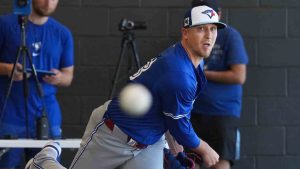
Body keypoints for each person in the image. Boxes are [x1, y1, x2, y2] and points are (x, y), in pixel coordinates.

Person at [26, 4, 225, 169]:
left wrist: (176, 146)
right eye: (201, 28)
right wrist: (204, 148)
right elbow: (180, 125)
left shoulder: (190, 65)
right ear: (186, 33)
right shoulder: (179, 72)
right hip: (113, 134)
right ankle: (44, 162)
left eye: (213, 29)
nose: (209, 35)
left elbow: (172, 115)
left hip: (148, 142)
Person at [0, 0, 74, 168]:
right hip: (10, 113)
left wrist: (59, 77)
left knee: (47, 165)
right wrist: (8, 69)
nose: (48, 3)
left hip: (46, 113)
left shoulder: (62, 33)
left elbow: (68, 77)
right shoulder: (5, 25)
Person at [190, 0, 248, 169]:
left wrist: (203, 73)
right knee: (188, 162)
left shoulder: (230, 36)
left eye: (209, 14)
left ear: (219, 14)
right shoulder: (190, 36)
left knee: (220, 162)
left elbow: (239, 76)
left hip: (222, 112)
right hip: (192, 111)